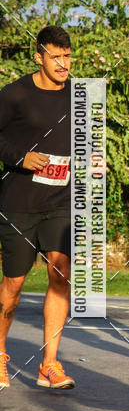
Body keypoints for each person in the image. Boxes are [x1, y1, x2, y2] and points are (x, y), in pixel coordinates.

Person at [0, 25, 75, 389]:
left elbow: (87, 139)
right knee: (13, 284)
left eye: (68, 56)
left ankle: (50, 364)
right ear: (39, 57)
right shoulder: (14, 95)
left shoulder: (78, 95)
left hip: (60, 201)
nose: (63, 63)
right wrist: (20, 157)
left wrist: (93, 161)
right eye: (56, 56)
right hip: (20, 203)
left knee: (61, 274)